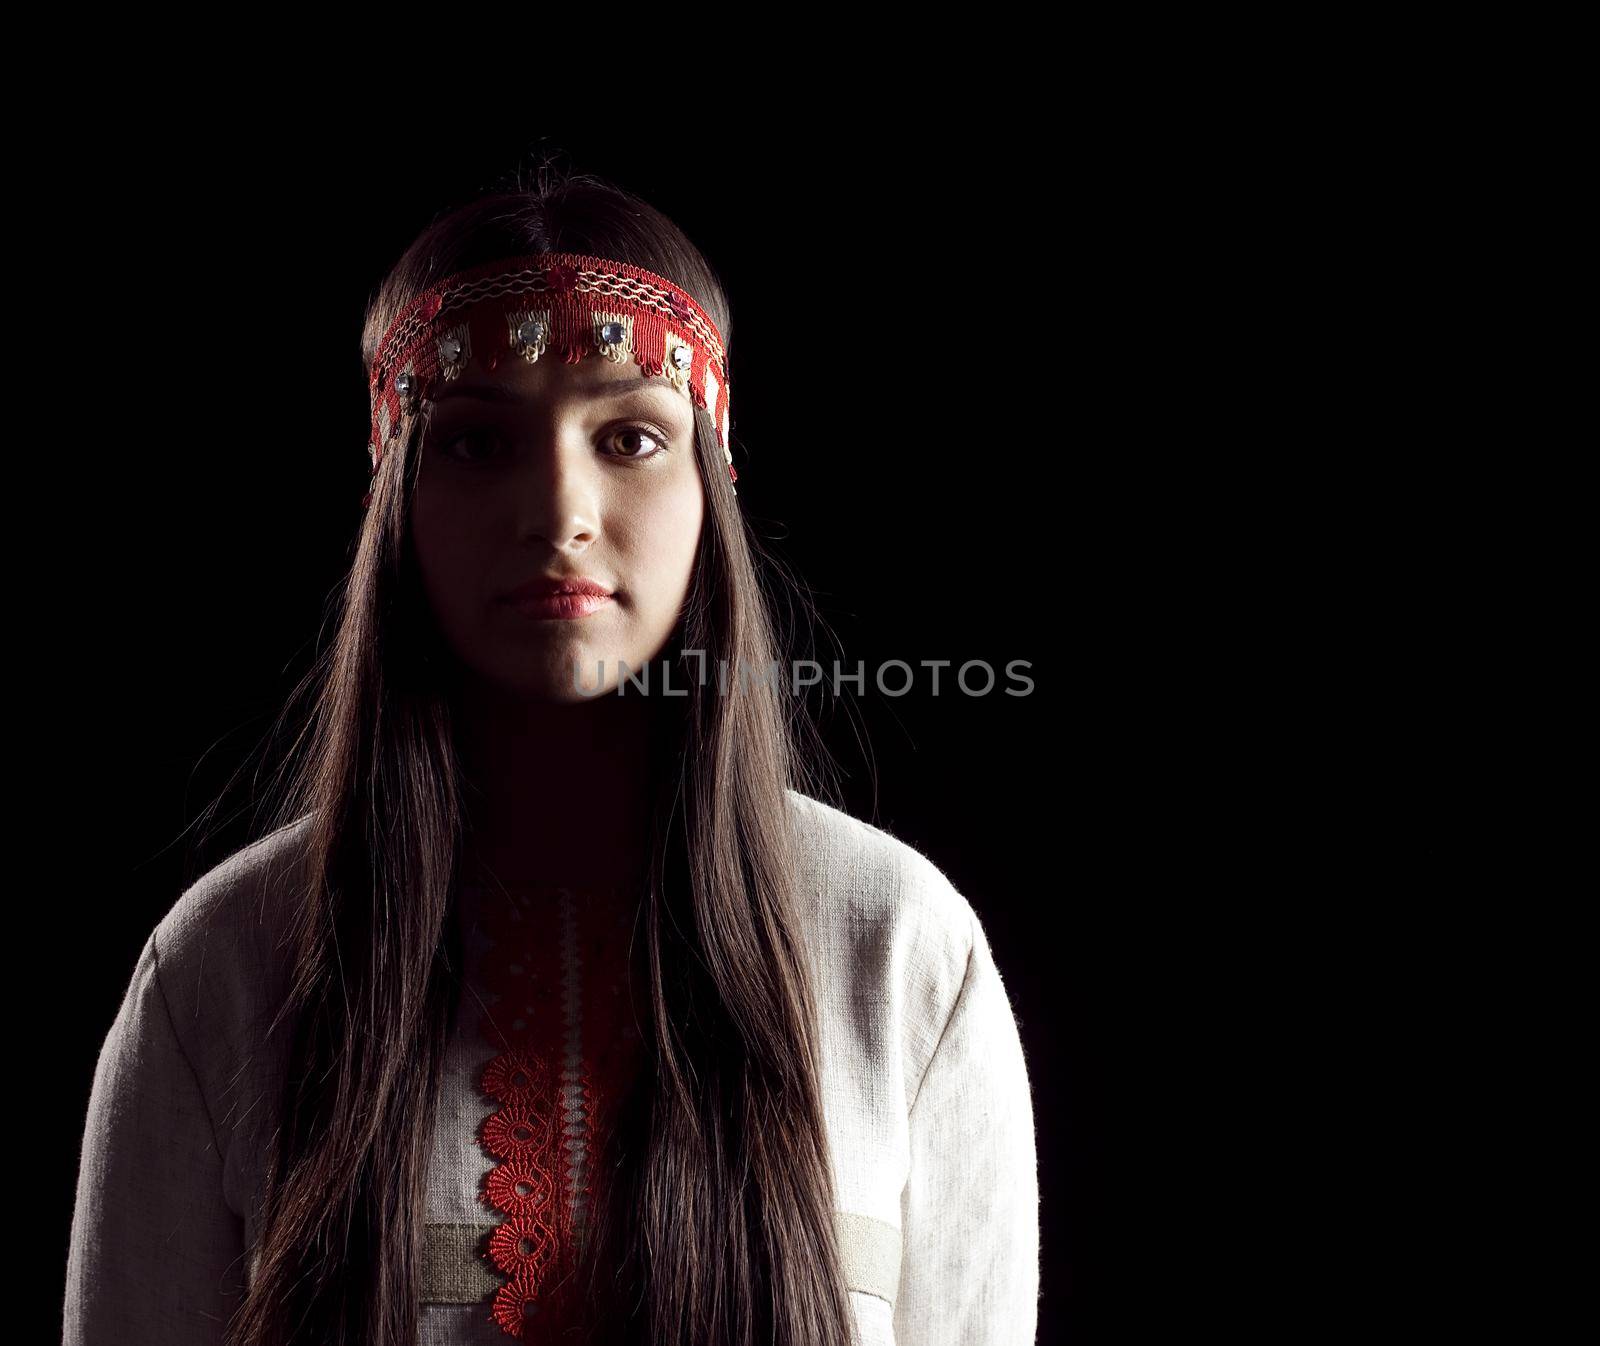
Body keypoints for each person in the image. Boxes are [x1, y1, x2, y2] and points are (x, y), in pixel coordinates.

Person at [62, 170, 1040, 1346]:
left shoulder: (898, 947)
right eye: (477, 441)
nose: (560, 505)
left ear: (709, 481)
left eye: (630, 435)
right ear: (397, 497)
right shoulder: (224, 964)